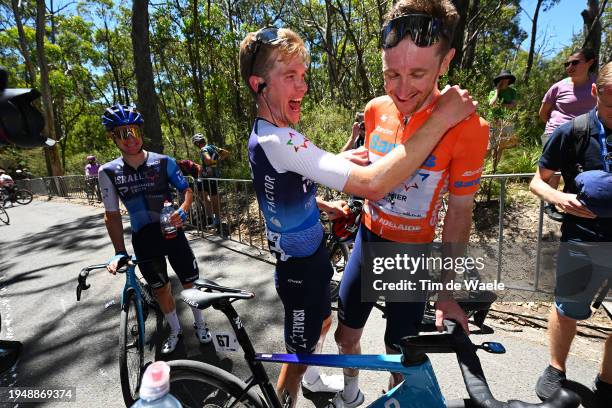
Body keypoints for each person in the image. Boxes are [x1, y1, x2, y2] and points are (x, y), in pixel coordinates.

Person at [239, 24, 477, 408]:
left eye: (303, 76)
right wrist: (441, 118)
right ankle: (284, 400)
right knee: (297, 354)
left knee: (323, 323)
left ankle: (315, 382)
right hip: (299, 268)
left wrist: (321, 202)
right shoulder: (276, 139)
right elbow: (371, 182)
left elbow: (282, 186)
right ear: (259, 85)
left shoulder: (278, 131)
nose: (302, 88)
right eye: (289, 77)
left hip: (319, 257)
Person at [332, 2, 489, 406]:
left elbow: (459, 212)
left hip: (411, 255)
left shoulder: (469, 127)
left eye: (417, 73)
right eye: (391, 74)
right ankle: (351, 394)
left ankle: (394, 400)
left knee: (401, 350)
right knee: (345, 335)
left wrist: (447, 290)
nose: (402, 90)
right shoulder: (374, 110)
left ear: (446, 61)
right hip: (368, 241)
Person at [98, 104, 212, 354]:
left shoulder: (164, 162)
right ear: (113, 137)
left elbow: (187, 190)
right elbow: (112, 214)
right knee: (160, 289)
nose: (129, 139)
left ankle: (200, 325)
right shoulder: (107, 172)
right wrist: (119, 251)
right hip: (144, 237)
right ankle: (175, 329)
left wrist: (183, 209)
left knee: (190, 283)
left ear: (140, 132)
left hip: (171, 231)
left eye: (133, 132)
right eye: (121, 133)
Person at [529, 61, 612, 406]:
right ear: (595, 91)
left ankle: (607, 381)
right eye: (611, 101)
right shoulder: (573, 132)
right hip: (582, 238)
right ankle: (555, 368)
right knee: (568, 308)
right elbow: (537, 181)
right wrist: (559, 196)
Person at [539, 48, 597, 222]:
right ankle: (549, 204)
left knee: (579, 170)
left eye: (575, 62)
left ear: (589, 63)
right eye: (567, 64)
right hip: (556, 132)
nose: (570, 67)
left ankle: (578, 202)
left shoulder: (596, 86)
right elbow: (543, 113)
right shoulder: (558, 87)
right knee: (552, 171)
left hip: (584, 135)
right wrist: (555, 129)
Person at [191, 133, 230, 228]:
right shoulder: (213, 147)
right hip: (214, 177)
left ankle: (215, 220)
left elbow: (208, 160)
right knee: (204, 196)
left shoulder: (203, 150)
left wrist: (213, 163)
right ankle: (214, 218)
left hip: (209, 178)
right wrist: (218, 161)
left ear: (197, 143)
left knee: (212, 199)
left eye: (195, 144)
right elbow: (226, 153)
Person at [488, 69, 519, 165]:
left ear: (509, 80)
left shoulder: (512, 91)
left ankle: (495, 167)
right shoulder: (493, 92)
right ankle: (487, 166)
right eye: (503, 78)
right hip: (494, 120)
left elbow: (513, 105)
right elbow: (492, 103)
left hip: (506, 120)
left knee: (501, 145)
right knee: (491, 145)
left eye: (507, 78)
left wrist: (500, 105)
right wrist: (497, 90)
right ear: (499, 80)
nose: (505, 80)